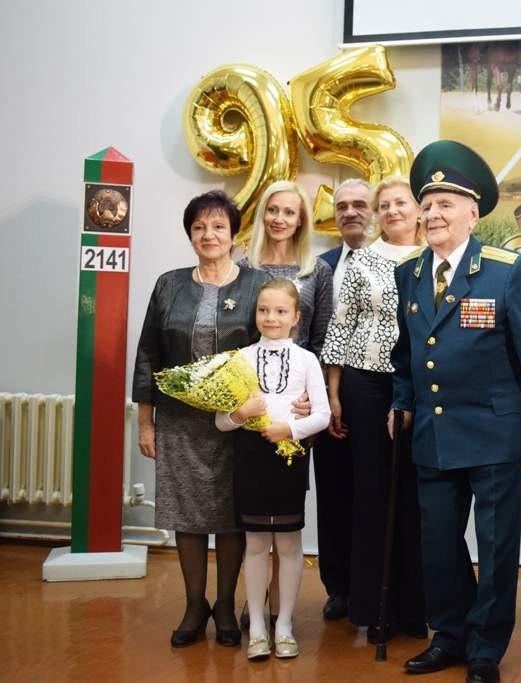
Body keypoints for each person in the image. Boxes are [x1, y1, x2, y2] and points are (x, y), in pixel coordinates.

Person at [391, 140, 521, 683]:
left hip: (495, 433)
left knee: (496, 544)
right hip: (434, 433)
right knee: (439, 543)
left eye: (445, 204)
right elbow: (406, 353)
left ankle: (485, 647)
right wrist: (401, 401)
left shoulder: (506, 270)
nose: (433, 214)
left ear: (473, 212)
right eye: (427, 205)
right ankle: (449, 635)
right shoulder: (409, 273)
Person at [132, 190, 270, 648]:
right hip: (178, 422)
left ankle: (226, 605)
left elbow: (271, 349)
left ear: (233, 234)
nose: (209, 235)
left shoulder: (256, 284)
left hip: (236, 421)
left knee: (231, 515)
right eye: (199, 227)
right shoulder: (169, 284)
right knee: (186, 515)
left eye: (218, 227)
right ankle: (195, 605)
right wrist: (146, 422)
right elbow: (148, 354)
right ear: (190, 234)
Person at [320, 176, 426, 642]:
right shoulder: (362, 259)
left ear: (419, 210)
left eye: (401, 203)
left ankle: (416, 607)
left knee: (416, 495)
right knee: (372, 492)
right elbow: (341, 327)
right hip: (365, 383)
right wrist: (334, 392)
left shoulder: (434, 258)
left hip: (422, 386)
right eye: (385, 205)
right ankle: (374, 607)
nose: (393, 211)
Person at [215, 278, 331, 661]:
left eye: (281, 311)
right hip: (250, 457)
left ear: (296, 317)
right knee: (255, 544)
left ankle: (284, 626)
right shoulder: (240, 358)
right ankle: (258, 629)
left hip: (289, 457)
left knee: (288, 544)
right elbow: (221, 422)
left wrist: (290, 430)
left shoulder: (307, 360)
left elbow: (322, 415)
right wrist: (240, 414)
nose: (271, 317)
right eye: (264, 310)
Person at [314, 178, 373, 621]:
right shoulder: (321, 267)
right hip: (325, 396)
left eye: (359, 204)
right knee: (333, 494)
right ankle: (339, 587)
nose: (350, 212)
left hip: (374, 394)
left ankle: (374, 588)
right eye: (342, 205)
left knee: (369, 495)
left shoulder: (393, 262)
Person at [241, 180, 334, 356]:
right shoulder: (243, 269)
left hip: (300, 370)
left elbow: (321, 339)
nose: (279, 219)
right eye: (272, 210)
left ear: (300, 220)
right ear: (262, 214)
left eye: (289, 212)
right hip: (250, 368)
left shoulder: (318, 270)